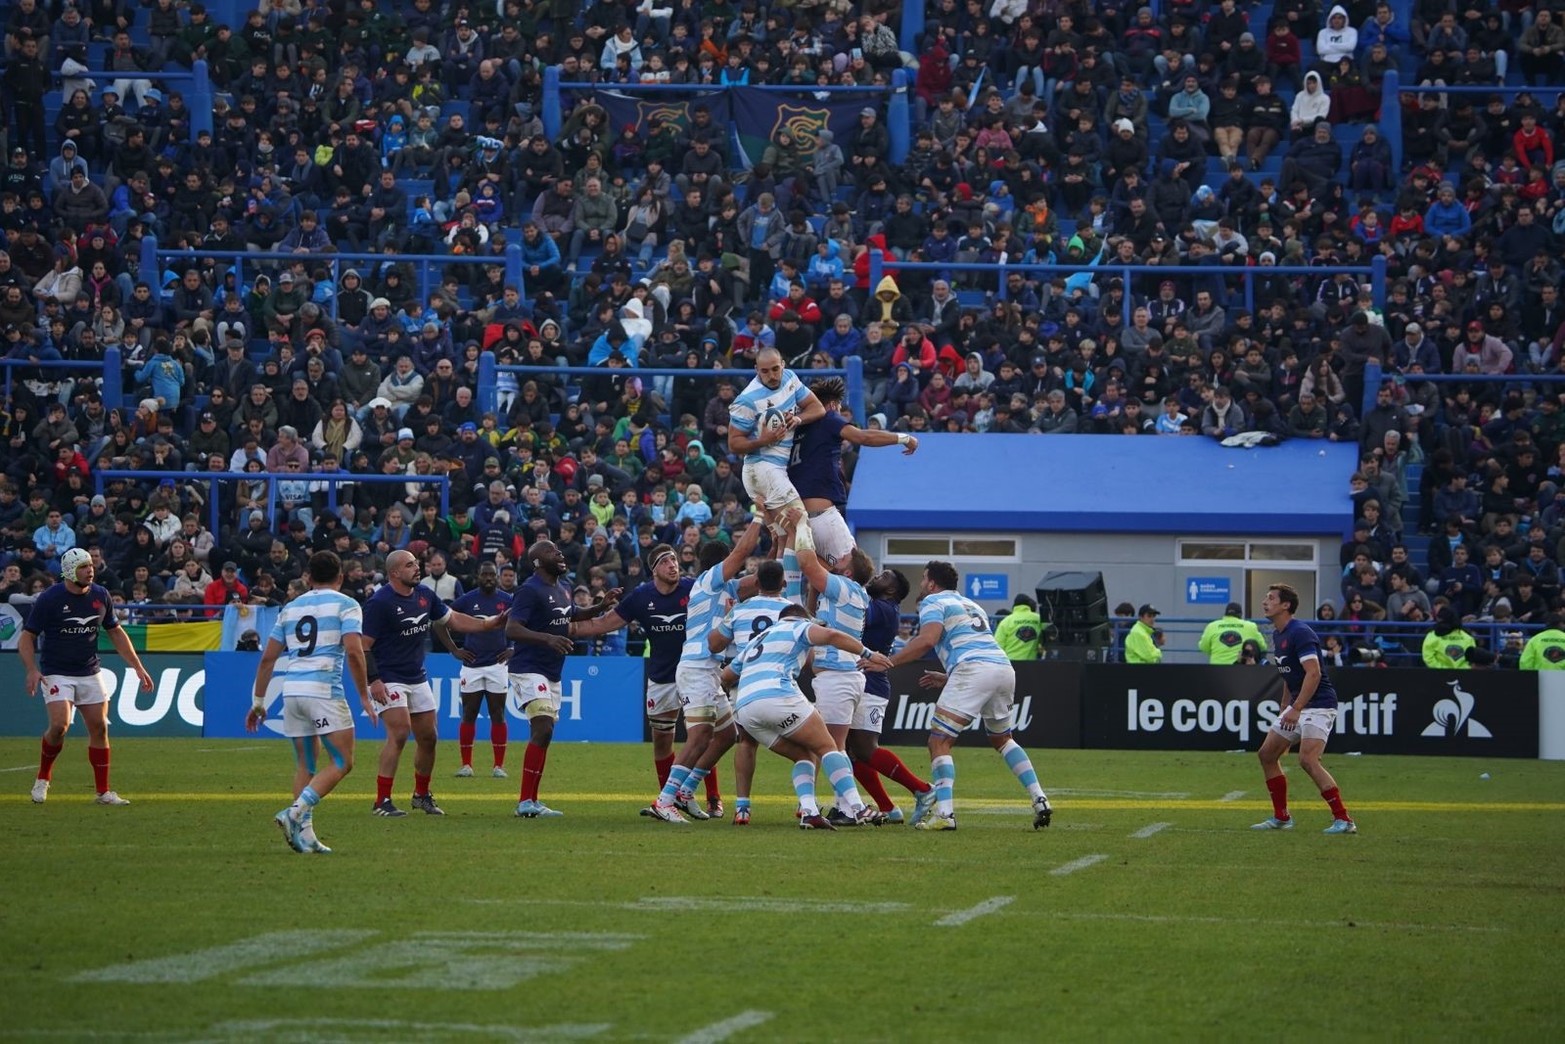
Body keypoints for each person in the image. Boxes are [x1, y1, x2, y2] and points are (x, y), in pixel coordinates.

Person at [570, 535, 750, 816]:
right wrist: (565, 629)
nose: (672, 565)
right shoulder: (641, 597)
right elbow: (605, 624)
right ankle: (670, 797)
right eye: (665, 561)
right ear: (653, 569)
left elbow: (733, 587)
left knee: (704, 733)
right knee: (665, 741)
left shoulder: (695, 588)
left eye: (675, 560)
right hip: (663, 677)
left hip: (698, 671)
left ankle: (711, 796)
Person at [888, 560, 1054, 831]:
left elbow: (927, 640)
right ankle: (1040, 799)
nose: (921, 585)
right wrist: (951, 676)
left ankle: (945, 814)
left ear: (931, 583)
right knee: (1003, 738)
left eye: (923, 579)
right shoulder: (972, 605)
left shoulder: (933, 602)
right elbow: (973, 643)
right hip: (1002, 667)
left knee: (939, 741)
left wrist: (889, 662)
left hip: (974, 669)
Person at [244, 550, 375, 854]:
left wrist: (259, 702)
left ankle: (306, 835)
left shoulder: (291, 607)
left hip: (292, 691)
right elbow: (355, 652)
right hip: (323, 691)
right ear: (341, 577)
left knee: (306, 763)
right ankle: (293, 812)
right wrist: (365, 696)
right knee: (342, 762)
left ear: (309, 578)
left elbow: (267, 659)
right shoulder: (347, 604)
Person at [362, 548, 509, 817]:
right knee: (400, 733)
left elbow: (453, 620)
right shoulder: (380, 602)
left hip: (417, 677)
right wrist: (374, 680)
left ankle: (421, 795)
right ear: (394, 572)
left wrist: (488, 624)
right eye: (410, 565)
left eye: (417, 563)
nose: (417, 568)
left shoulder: (425, 595)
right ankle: (382, 800)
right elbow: (365, 646)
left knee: (429, 738)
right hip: (389, 678)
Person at [719, 603, 894, 830]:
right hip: (778, 696)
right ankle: (858, 807)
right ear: (801, 618)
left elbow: (725, 676)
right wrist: (869, 654)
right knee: (828, 747)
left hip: (746, 709)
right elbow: (830, 635)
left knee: (805, 755)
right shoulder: (798, 626)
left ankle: (809, 812)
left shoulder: (758, 639)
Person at [21, 547, 153, 806]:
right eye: (83, 566)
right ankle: (43, 778)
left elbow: (115, 632)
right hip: (56, 671)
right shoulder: (50, 598)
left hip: (89, 671)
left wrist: (138, 666)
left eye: (91, 565)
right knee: (60, 726)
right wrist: (31, 669)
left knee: (100, 727)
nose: (90, 570)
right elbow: (28, 636)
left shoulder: (101, 595)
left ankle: (103, 792)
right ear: (70, 571)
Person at [504, 539, 620, 818]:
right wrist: (547, 638)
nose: (558, 553)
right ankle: (524, 801)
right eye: (550, 551)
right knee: (542, 727)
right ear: (536, 561)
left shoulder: (563, 588)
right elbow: (512, 628)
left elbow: (571, 616)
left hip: (552, 670)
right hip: (528, 667)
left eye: (558, 549)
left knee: (545, 734)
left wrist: (599, 606)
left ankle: (531, 801)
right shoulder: (529, 591)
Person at [791, 514, 880, 826]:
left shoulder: (844, 588)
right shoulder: (850, 592)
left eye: (841, 557)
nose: (836, 555)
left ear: (849, 568)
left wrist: (800, 525)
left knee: (831, 746)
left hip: (837, 678)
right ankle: (844, 805)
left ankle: (849, 808)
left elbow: (808, 567)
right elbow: (814, 603)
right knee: (834, 745)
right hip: (845, 677)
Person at [1252, 583, 1356, 835]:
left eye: (1271, 598)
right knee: (1266, 754)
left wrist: (1296, 708)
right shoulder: (1278, 634)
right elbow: (1290, 676)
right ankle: (1282, 817)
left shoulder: (1300, 632)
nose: (1265, 602)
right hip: (1298, 705)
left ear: (1285, 605)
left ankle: (1344, 820)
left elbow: (1314, 673)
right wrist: (1284, 709)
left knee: (1308, 760)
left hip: (1319, 705)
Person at [786, 375, 917, 565]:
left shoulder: (797, 428)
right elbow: (863, 437)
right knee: (854, 573)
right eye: (839, 407)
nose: (839, 412)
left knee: (817, 577)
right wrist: (904, 438)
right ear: (832, 405)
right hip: (822, 516)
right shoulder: (828, 417)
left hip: (796, 520)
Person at [708, 555, 796, 824]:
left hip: (747, 687)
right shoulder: (792, 610)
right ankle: (807, 804)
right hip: (783, 687)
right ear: (783, 583)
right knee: (811, 746)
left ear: (756, 582)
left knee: (746, 742)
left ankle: (743, 807)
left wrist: (723, 618)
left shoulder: (740, 609)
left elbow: (715, 644)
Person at [848, 568, 935, 824]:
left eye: (884, 576)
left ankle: (922, 788)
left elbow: (857, 614)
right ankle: (887, 807)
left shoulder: (884, 608)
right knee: (849, 751)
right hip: (863, 681)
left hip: (870, 684)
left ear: (891, 590)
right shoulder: (883, 605)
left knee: (864, 748)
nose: (876, 576)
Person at [726, 346, 824, 524]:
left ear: (783, 365)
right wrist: (763, 441)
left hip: (780, 467)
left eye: (775, 369)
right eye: (765, 371)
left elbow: (818, 408)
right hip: (763, 467)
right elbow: (733, 444)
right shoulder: (747, 399)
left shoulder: (790, 378)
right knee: (800, 523)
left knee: (783, 537)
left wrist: (797, 419)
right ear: (756, 370)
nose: (771, 375)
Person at [447, 561, 513, 779]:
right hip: (472, 666)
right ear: (478, 576)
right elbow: (441, 621)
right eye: (484, 574)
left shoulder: (507, 600)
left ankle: (499, 766)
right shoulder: (468, 599)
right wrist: (454, 650)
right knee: (469, 713)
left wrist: (514, 648)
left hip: (497, 665)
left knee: (498, 714)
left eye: (491, 574)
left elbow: (526, 624)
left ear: (497, 576)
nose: (488, 578)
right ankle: (466, 765)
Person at [1197, 602, 1267, 664]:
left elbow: (1203, 647)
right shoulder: (1250, 626)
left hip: (1216, 669)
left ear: (1225, 614)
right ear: (1240, 614)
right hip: (1241, 669)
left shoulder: (1212, 626)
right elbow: (1263, 647)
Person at [994, 594, 1044, 661]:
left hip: (1010, 664)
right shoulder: (1039, 619)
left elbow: (998, 646)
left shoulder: (1006, 621)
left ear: (1014, 605)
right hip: (1032, 665)